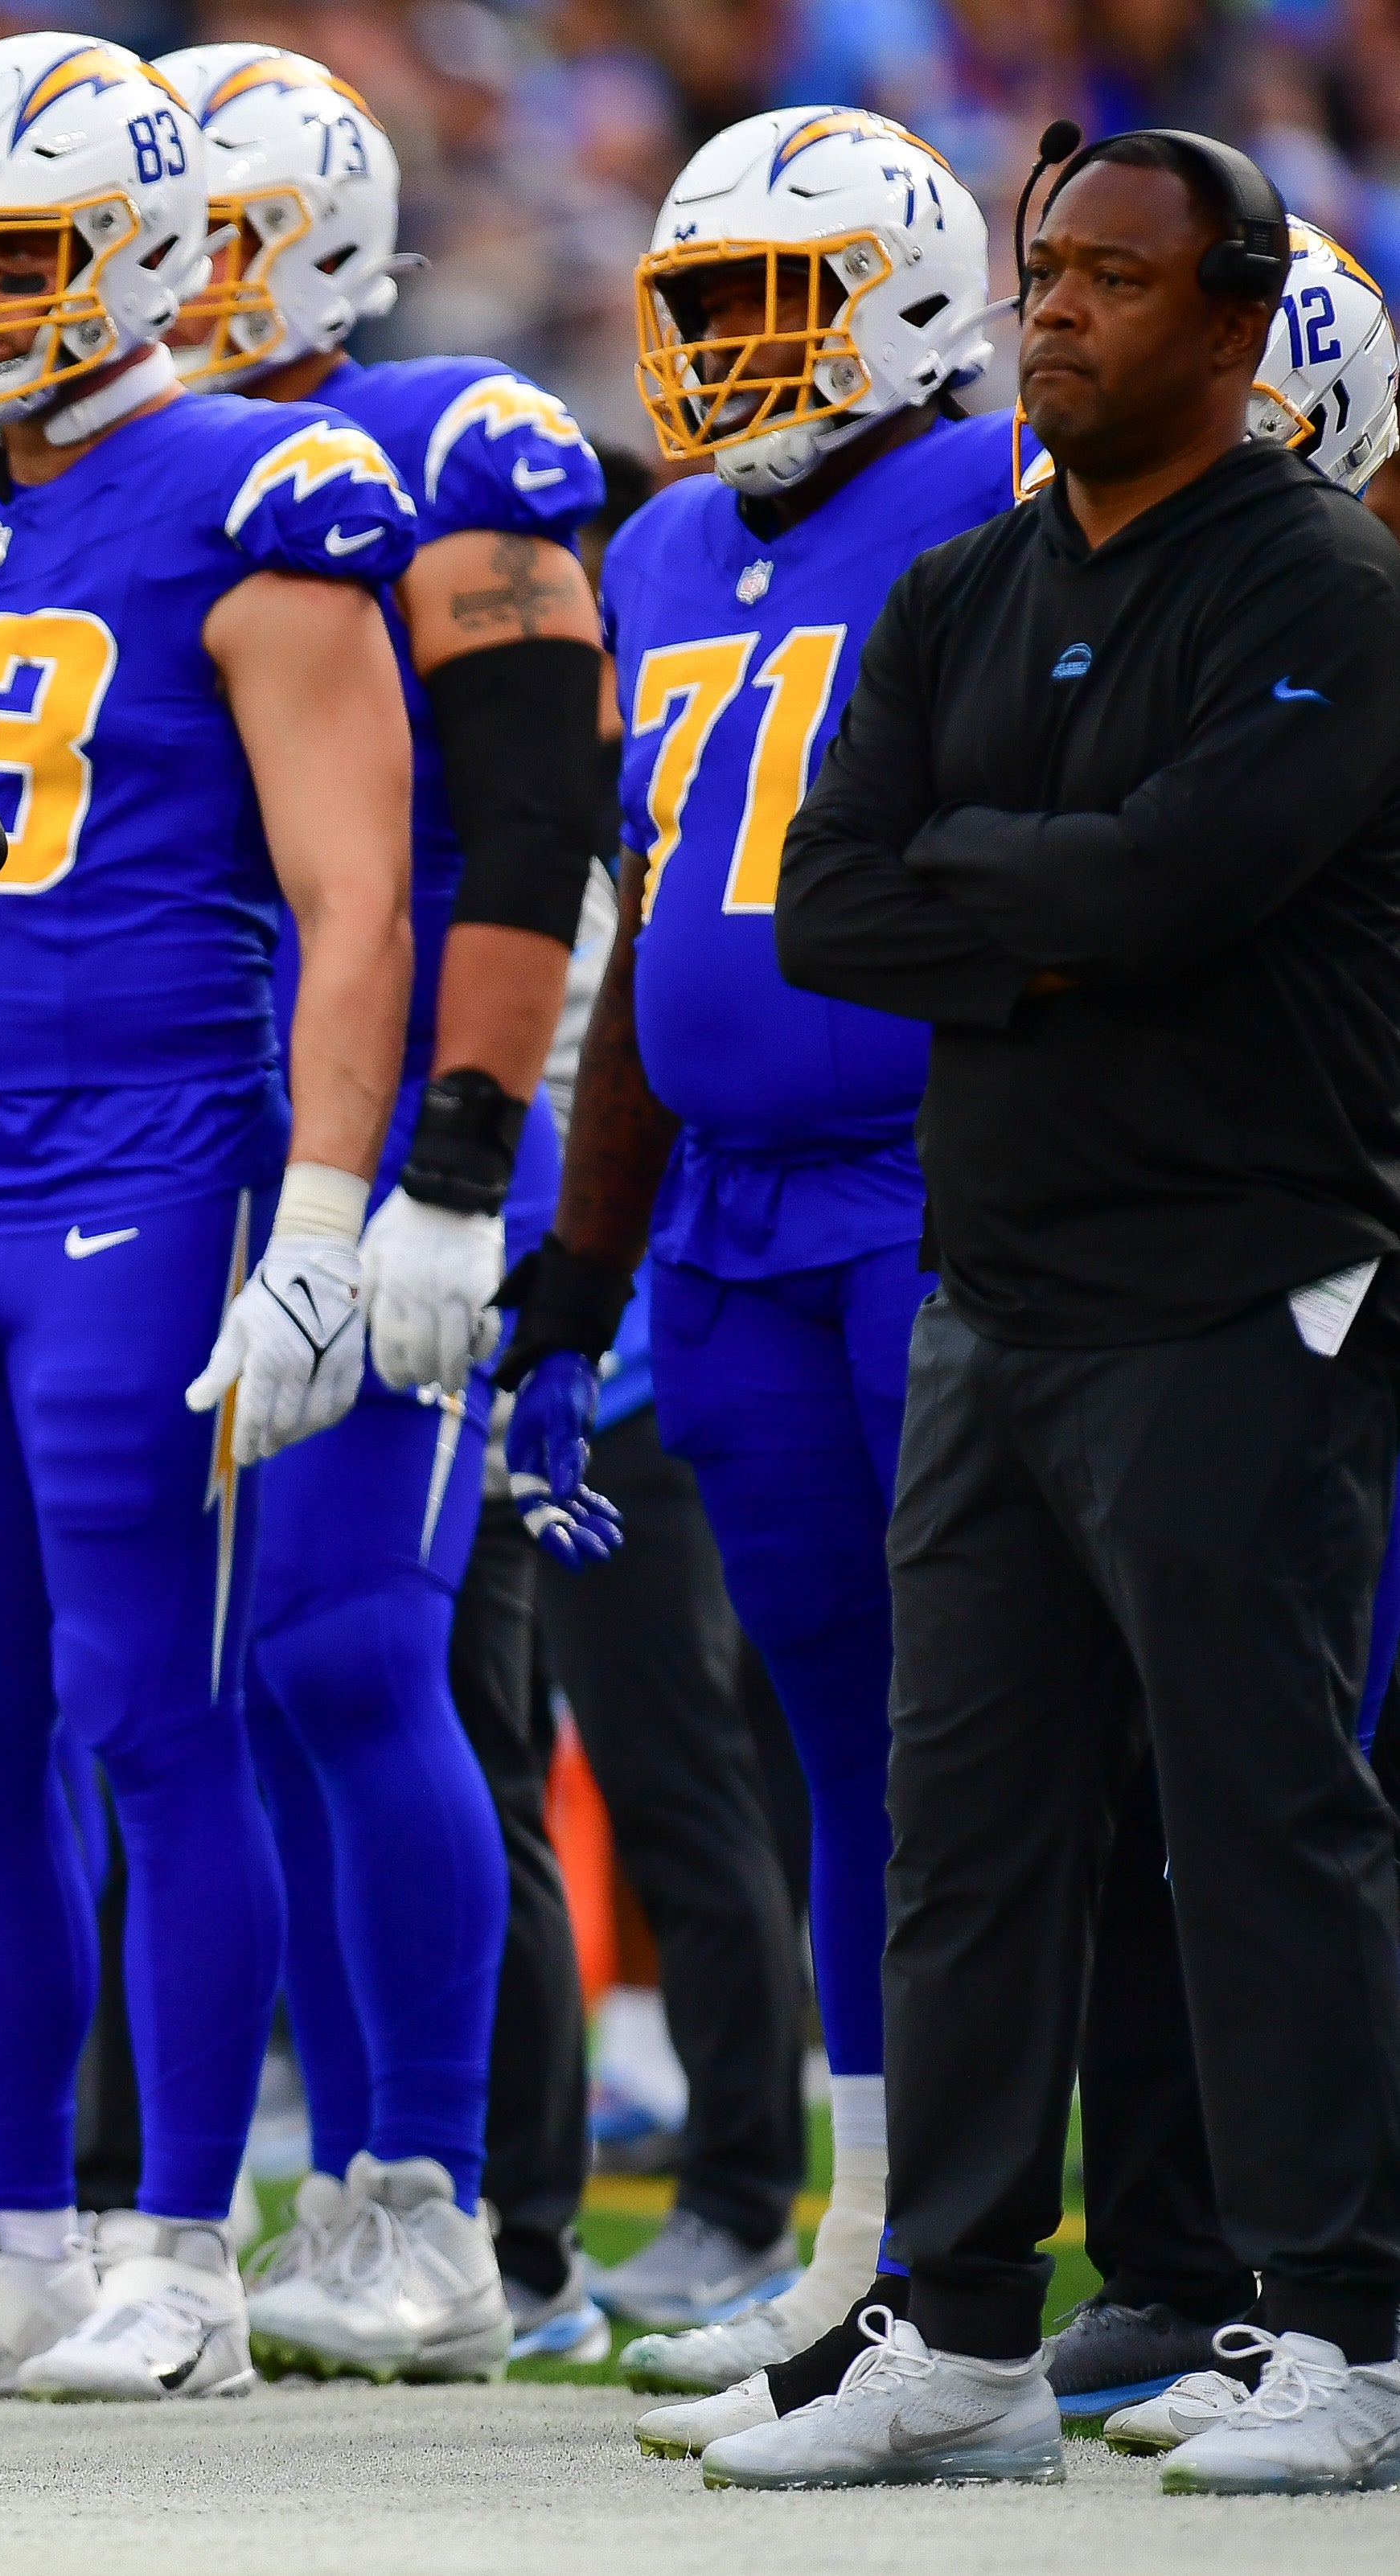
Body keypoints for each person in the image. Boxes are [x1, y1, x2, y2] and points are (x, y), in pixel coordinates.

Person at [727, 127, 1400, 2498]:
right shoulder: (961, 594)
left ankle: (1342, 2323)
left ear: (1237, 321)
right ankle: (978, 2335)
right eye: (1043, 274)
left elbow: (1195, 876)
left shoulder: (1322, 580)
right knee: (968, 1826)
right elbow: (828, 907)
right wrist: (1061, 905)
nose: (1061, 313)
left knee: (1259, 1816)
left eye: (1115, 278)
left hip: (1235, 1276)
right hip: (992, 1293)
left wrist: (1002, 893)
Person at [0, 35, 417, 2410]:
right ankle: (18, 2226)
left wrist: (333, 1208)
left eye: (9, 252)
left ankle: (186, 2242)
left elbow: (356, 893)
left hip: (155, 1162)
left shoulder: (262, 487)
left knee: (151, 1712)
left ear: (148, 250)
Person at [489, 103, 1013, 2422]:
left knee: (1000, 1727)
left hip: (941, 1181)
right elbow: (643, 932)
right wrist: (575, 1272)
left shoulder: (999, 494)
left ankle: (1132, 2246)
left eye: (766, 297)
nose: (720, 349)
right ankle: (870, 2236)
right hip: (722, 1221)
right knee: (831, 1734)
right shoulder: (665, 539)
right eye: (694, 303)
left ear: (903, 297)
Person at [143, 42, 610, 2385]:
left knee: (357, 1652)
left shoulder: (447, 449)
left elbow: (532, 827)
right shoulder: (113, 471)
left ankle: (436, 2201)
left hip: (413, 1131)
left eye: (210, 228)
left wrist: (451, 1174)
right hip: (196, 1137)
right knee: (218, 1686)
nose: (160, 283)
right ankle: (315, 2187)